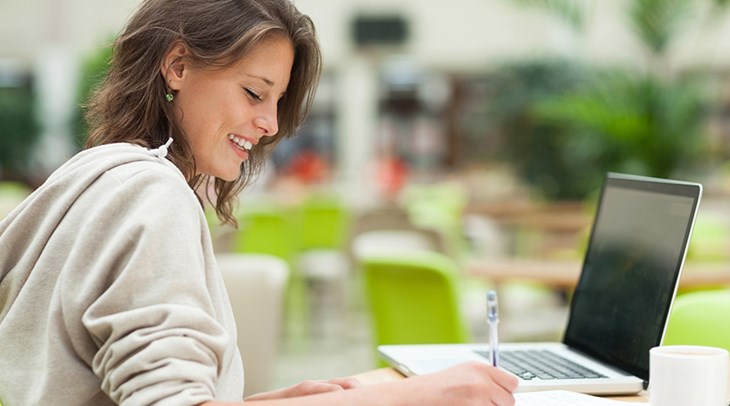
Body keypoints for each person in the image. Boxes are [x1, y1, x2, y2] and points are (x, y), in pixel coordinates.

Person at [0, 0, 518, 405]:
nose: (271, 124)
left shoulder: (94, 174)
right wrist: (404, 398)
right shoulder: (152, 195)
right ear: (177, 66)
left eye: (276, 101)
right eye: (254, 93)